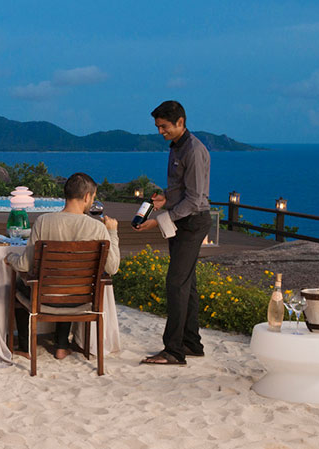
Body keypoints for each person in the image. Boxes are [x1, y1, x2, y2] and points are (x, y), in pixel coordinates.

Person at [5, 173, 119, 359]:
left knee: (21, 283)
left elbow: (25, 265)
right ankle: (61, 345)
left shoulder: (43, 221)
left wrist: (11, 258)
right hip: (81, 299)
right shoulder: (98, 228)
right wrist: (112, 233)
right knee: (70, 281)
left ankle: (26, 347)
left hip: (45, 298)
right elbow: (113, 268)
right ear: (87, 197)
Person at [134, 100, 212, 366]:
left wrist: (159, 220)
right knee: (186, 284)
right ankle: (192, 343)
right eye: (157, 127)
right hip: (180, 220)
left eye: (164, 126)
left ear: (180, 122)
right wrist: (164, 198)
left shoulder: (194, 151)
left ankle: (174, 351)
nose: (160, 131)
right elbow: (182, 190)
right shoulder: (176, 147)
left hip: (192, 222)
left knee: (176, 283)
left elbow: (195, 199)